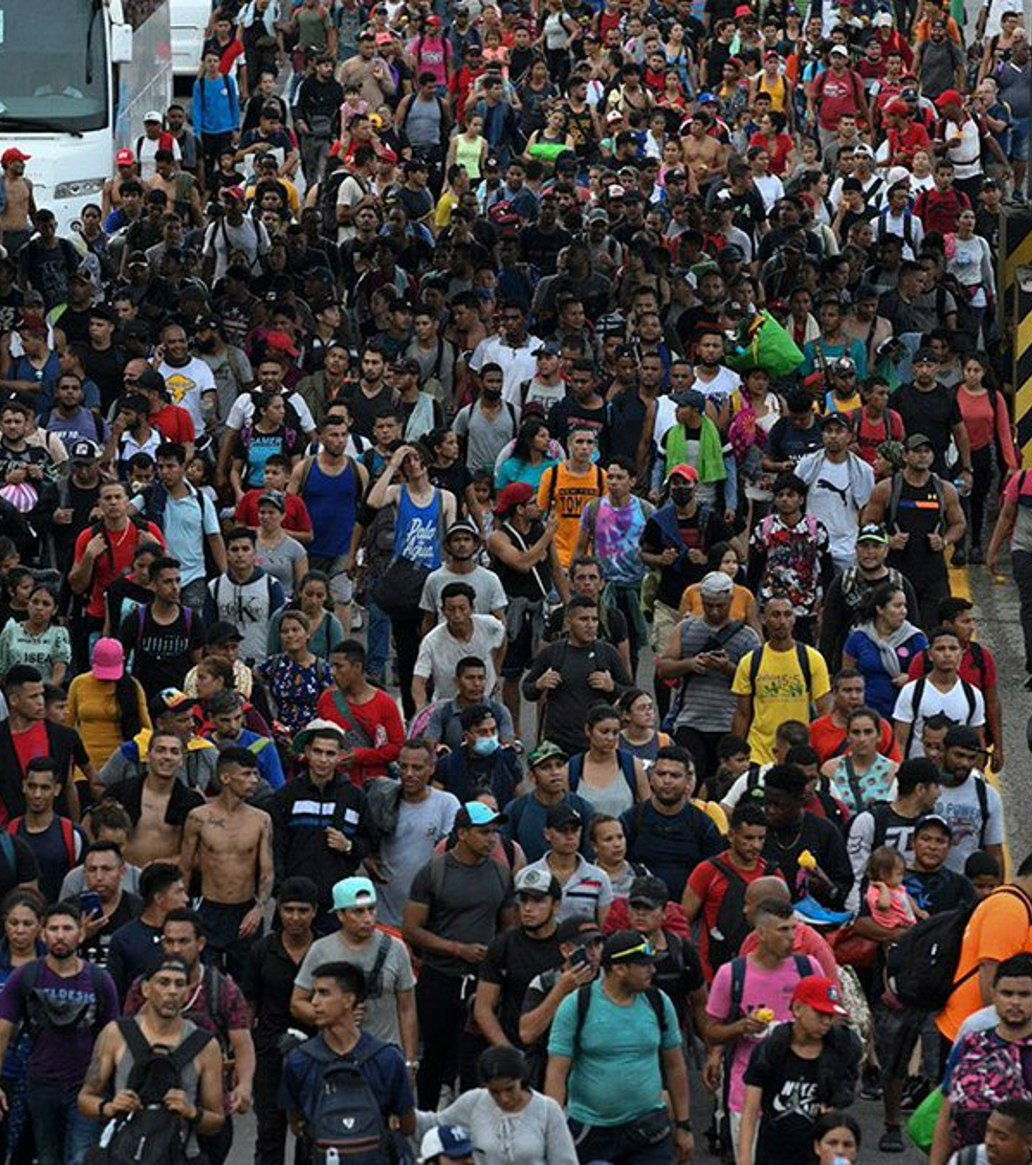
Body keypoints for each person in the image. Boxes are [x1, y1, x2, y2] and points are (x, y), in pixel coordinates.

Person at [545, 928, 694, 1165]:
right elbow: (556, 1072)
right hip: (591, 1132)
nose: (653, 970)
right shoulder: (577, 1005)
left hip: (649, 1130)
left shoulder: (658, 1002)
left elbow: (675, 1065)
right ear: (620, 968)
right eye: (644, 965)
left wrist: (683, 1125)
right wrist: (554, 1133)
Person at [402, 800, 515, 1108]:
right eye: (484, 832)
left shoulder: (501, 873)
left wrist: (495, 956)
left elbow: (509, 926)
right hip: (440, 977)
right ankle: (426, 1120)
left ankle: (472, 1121)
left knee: (475, 1058)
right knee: (434, 1057)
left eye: (494, 832)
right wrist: (457, 949)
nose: (492, 839)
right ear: (462, 834)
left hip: (483, 981)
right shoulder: (433, 873)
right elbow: (411, 928)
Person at [121, 909, 256, 1165]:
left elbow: (242, 1044)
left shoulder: (222, 989)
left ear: (200, 943)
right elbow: (125, 1037)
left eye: (183, 941)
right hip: (152, 1106)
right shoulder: (144, 987)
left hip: (207, 1107)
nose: (175, 949)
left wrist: (244, 1085)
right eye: (169, 941)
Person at [0, 901, 120, 1165]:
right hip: (40, 1083)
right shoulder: (25, 976)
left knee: (80, 1157)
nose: (60, 935)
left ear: (81, 933)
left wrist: (106, 1086)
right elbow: (2, 1031)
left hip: (85, 1086)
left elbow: (113, 1038)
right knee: (47, 1157)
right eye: (53, 929)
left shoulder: (100, 980)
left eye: (68, 928)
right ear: (43, 934)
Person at [705, 897, 825, 1157]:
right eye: (783, 930)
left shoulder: (808, 969)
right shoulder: (732, 974)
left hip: (801, 1097)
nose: (792, 937)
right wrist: (742, 1027)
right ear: (760, 933)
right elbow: (711, 1031)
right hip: (747, 1095)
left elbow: (831, 1018)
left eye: (794, 928)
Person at [76, 954, 225, 1158]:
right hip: (124, 1152)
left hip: (180, 1154)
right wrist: (109, 1107)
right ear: (146, 989)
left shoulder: (206, 1046)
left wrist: (192, 1112)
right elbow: (85, 1099)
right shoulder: (116, 1034)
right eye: (163, 982)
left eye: (179, 984)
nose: (172, 991)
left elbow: (216, 1120)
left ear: (188, 993)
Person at [280, 961, 415, 1157]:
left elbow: (297, 1125)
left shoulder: (300, 1060)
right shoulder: (387, 1058)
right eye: (314, 993)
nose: (314, 1002)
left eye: (324, 993)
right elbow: (407, 1125)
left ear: (349, 1000)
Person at [738, 976, 861, 1165]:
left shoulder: (841, 1049)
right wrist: (745, 1158)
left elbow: (848, 1090)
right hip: (773, 1154)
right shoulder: (771, 1050)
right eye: (820, 1014)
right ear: (797, 1009)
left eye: (831, 1016)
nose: (826, 1022)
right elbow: (750, 1109)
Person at [292, 874, 416, 1060]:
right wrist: (332, 1014)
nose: (368, 918)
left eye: (371, 909)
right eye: (358, 912)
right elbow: (297, 1003)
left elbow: (407, 1009)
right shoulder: (321, 950)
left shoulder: (396, 949)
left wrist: (410, 1061)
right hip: (335, 1054)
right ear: (341, 915)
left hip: (385, 1053)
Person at [240, 876, 317, 1165]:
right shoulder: (262, 951)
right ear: (279, 910)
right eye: (288, 910)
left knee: (309, 1130)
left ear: (314, 911)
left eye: (302, 910)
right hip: (269, 1051)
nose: (295, 917)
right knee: (270, 1130)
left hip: (315, 1051)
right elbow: (249, 1004)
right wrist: (244, 1053)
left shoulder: (325, 950)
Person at [658, 569, 762, 782]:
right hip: (691, 720)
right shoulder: (686, 629)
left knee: (721, 783)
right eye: (708, 605)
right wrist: (689, 664)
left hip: (728, 723)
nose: (714, 611)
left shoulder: (747, 637)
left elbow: (757, 679)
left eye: (720, 606)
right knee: (689, 780)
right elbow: (663, 668)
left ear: (730, 601)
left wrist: (728, 669)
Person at [269, 720, 373, 930]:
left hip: (337, 903)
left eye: (330, 753)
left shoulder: (355, 797)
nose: (323, 760)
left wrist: (348, 846)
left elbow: (370, 841)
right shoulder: (287, 795)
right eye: (317, 752)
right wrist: (280, 891)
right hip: (295, 903)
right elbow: (275, 847)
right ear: (307, 752)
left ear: (340, 756)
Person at [179, 748, 273, 980]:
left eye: (256, 774)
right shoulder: (198, 817)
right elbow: (185, 867)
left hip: (245, 910)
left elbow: (267, 871)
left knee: (246, 982)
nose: (254, 780)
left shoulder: (261, 820)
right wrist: (182, 909)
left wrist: (259, 908)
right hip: (209, 909)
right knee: (204, 979)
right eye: (247, 774)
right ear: (226, 778)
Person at [931, 956, 1032, 1165]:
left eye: (1024, 995)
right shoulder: (971, 1044)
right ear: (993, 994)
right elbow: (947, 1112)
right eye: (1007, 993)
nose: (1015, 1002)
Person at [863, 432, 967, 631]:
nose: (922, 456)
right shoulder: (887, 488)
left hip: (933, 574)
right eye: (917, 451)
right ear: (905, 456)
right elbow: (867, 523)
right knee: (894, 629)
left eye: (927, 451)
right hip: (896, 572)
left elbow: (959, 524)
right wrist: (888, 540)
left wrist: (944, 541)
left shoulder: (944, 490)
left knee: (933, 630)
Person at [417, 1045, 578, 1165]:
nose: (504, 1098)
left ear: (521, 1080)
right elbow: (434, 1123)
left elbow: (565, 1161)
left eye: (510, 1089)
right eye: (495, 1092)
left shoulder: (548, 1110)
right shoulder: (474, 1102)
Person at [522, 595, 633, 758]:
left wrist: (613, 687)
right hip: (558, 744)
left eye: (594, 619)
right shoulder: (553, 653)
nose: (590, 625)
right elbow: (527, 690)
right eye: (583, 619)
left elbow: (631, 695)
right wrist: (539, 684)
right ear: (569, 622)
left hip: (596, 744)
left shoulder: (607, 653)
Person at [938, 858, 1032, 1047]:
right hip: (977, 1035)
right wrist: (1001, 1038)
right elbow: (991, 972)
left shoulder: (1016, 903)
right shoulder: (1009, 908)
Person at [683, 802, 779, 982]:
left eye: (761, 838)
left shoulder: (773, 876)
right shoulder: (707, 871)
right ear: (731, 836)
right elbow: (683, 921)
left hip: (760, 974)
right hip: (712, 971)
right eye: (748, 838)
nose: (756, 845)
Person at [731, 597, 832, 765]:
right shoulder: (750, 661)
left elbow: (824, 710)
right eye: (776, 615)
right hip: (759, 752)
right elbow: (742, 714)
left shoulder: (812, 658)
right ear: (764, 619)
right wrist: (737, 753)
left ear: (794, 619)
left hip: (798, 752)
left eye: (787, 614)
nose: (782, 621)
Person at [620, 745, 724, 902]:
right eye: (661, 774)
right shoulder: (631, 820)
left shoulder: (704, 826)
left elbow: (713, 879)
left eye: (675, 775)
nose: (667, 781)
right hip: (638, 908)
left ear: (688, 781)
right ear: (651, 778)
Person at [761, 764, 853, 909]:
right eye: (767, 803)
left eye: (778, 805)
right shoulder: (758, 829)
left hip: (814, 916)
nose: (770, 810)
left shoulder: (824, 832)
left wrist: (828, 888)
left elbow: (844, 889)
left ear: (800, 800)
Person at [315, 639, 405, 787]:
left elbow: (398, 748)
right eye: (332, 666)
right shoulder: (326, 700)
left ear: (357, 667)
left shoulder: (385, 703)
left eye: (339, 666)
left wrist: (362, 755)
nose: (333, 673)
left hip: (373, 785)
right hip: (335, 784)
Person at [894, 626, 986, 758]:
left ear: (961, 653)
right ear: (930, 654)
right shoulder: (911, 692)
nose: (947, 654)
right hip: (919, 768)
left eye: (953, 648)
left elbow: (977, 743)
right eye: (940, 649)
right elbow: (899, 743)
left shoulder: (973, 695)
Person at [6, 757, 86, 902]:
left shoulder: (74, 835)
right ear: (23, 786)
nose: (37, 794)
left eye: (45, 788)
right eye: (32, 786)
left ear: (57, 789)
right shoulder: (8, 835)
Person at [106, 862, 189, 1001]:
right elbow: (114, 993)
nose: (186, 898)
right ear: (159, 898)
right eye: (179, 892)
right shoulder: (124, 939)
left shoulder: (188, 935)